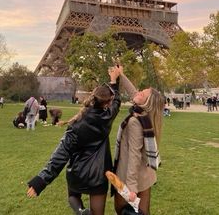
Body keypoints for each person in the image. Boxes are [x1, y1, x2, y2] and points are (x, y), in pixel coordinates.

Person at [27, 66, 121, 215]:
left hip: (77, 172)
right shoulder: (107, 117)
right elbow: (117, 101)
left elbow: (61, 153)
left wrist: (41, 180)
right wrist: (114, 80)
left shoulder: (76, 124)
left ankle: (81, 211)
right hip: (99, 174)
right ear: (106, 104)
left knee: (72, 195)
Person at [113, 68, 165, 215]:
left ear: (146, 102)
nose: (138, 92)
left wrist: (131, 188)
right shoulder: (146, 116)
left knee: (122, 211)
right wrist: (121, 74)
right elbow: (134, 93)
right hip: (145, 176)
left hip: (129, 179)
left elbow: (134, 156)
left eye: (142, 93)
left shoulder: (135, 122)